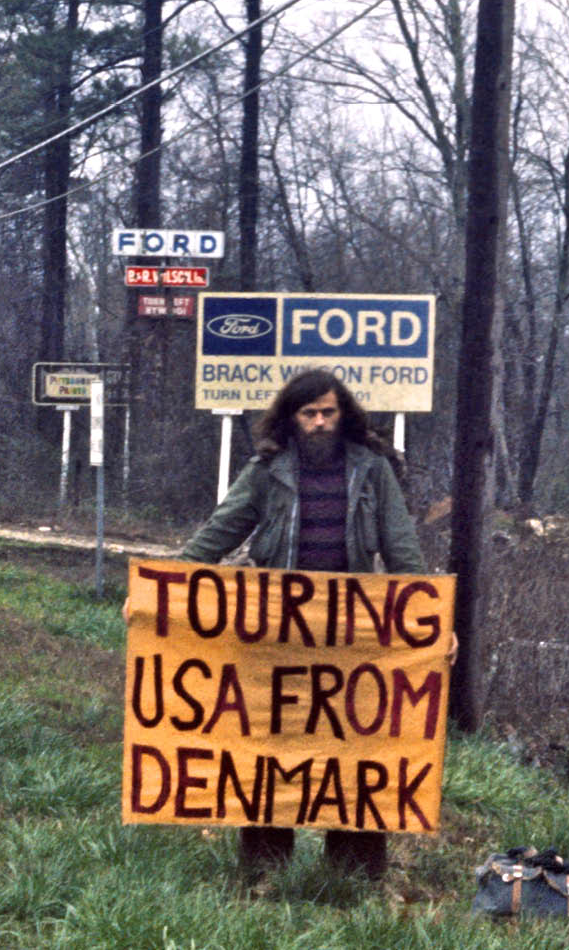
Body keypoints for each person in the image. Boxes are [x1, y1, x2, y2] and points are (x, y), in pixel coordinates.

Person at [176, 367, 434, 882]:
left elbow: (402, 548)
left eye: (328, 412)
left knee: (357, 753)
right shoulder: (266, 471)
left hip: (352, 638)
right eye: (309, 413)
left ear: (345, 415)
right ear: (291, 419)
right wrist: (159, 590)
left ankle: (355, 873)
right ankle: (265, 870)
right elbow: (218, 533)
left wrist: (429, 617)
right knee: (269, 751)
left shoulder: (372, 470)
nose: (319, 422)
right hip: (277, 639)